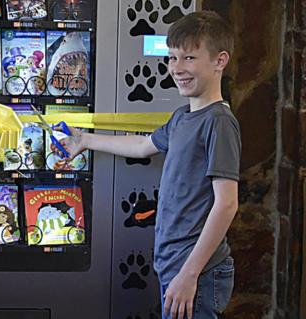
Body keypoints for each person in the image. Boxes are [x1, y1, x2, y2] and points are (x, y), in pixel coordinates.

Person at [59, 11, 241, 319]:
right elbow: (143, 146)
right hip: (175, 263)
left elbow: (226, 204)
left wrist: (189, 274)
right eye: (172, 58)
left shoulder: (219, 122)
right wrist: (86, 141)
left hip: (196, 270)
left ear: (219, 61)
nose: (177, 68)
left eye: (189, 58)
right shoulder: (182, 117)